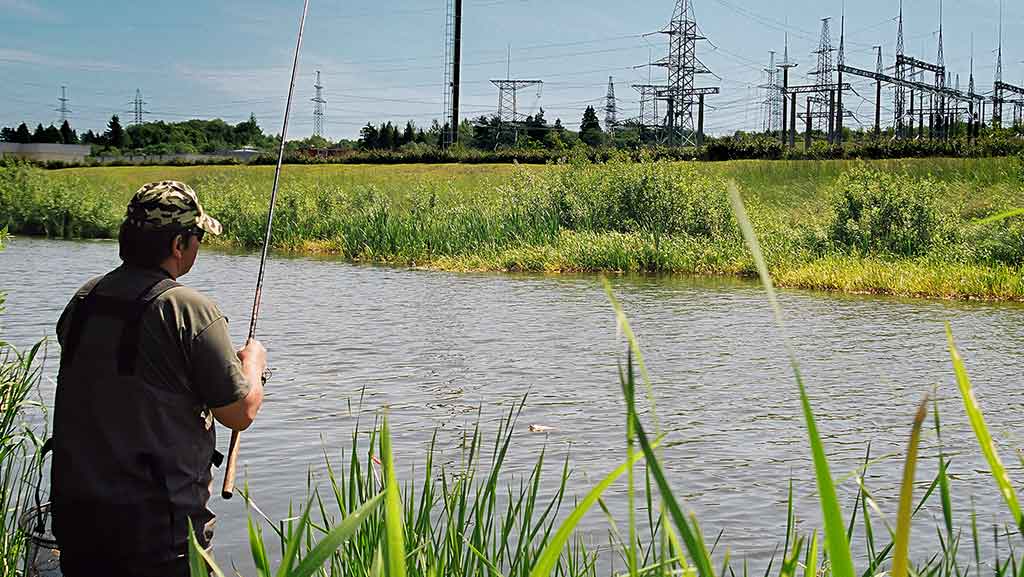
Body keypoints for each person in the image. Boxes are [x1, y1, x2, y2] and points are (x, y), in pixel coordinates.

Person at [50, 180, 266, 577]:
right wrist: (253, 364)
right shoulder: (189, 310)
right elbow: (239, 412)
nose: (199, 245)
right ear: (178, 244)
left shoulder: (84, 299)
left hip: (77, 522)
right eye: (198, 236)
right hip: (158, 537)